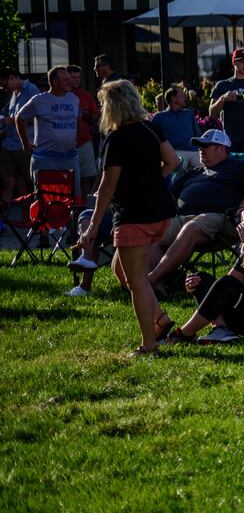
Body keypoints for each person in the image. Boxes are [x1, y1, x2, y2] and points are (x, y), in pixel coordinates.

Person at [76, 80, 180, 352]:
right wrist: (152, 181)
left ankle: (149, 344)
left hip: (134, 217)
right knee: (119, 269)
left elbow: (107, 186)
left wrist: (92, 228)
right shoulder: (151, 127)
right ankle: (161, 319)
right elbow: (174, 162)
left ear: (112, 106)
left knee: (137, 283)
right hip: (160, 212)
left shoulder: (116, 137)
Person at [144, 128, 244, 288]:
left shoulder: (238, 166)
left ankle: (150, 280)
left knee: (191, 228)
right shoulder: (193, 173)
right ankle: (160, 288)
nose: (200, 150)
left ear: (221, 148)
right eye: (199, 146)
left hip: (218, 218)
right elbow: (169, 197)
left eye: (205, 146)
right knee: (154, 233)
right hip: (182, 216)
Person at [163, 206, 244, 344]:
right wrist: (195, 285)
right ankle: (221, 329)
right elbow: (222, 286)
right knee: (201, 278)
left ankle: (184, 333)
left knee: (227, 283)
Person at [15, 65, 79, 195]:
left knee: (73, 196)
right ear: (55, 82)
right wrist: (25, 142)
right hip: (46, 158)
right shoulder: (39, 100)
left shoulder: (74, 99)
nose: (70, 82)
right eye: (66, 80)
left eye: (70, 79)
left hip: (70, 157)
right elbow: (20, 118)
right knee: (46, 199)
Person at [0, 68, 39, 203]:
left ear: (12, 78)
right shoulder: (14, 93)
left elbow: (37, 117)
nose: (4, 89)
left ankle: (33, 215)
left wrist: (13, 120)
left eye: (4, 86)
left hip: (24, 143)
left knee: (31, 181)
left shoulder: (31, 90)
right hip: (9, 144)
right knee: (10, 181)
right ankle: (14, 218)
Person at [65, 65, 100, 196]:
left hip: (83, 140)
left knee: (88, 176)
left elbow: (96, 116)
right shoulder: (59, 95)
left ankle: (83, 204)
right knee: (67, 176)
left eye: (78, 77)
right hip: (64, 144)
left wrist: (88, 116)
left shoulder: (85, 95)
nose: (76, 80)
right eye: (73, 77)